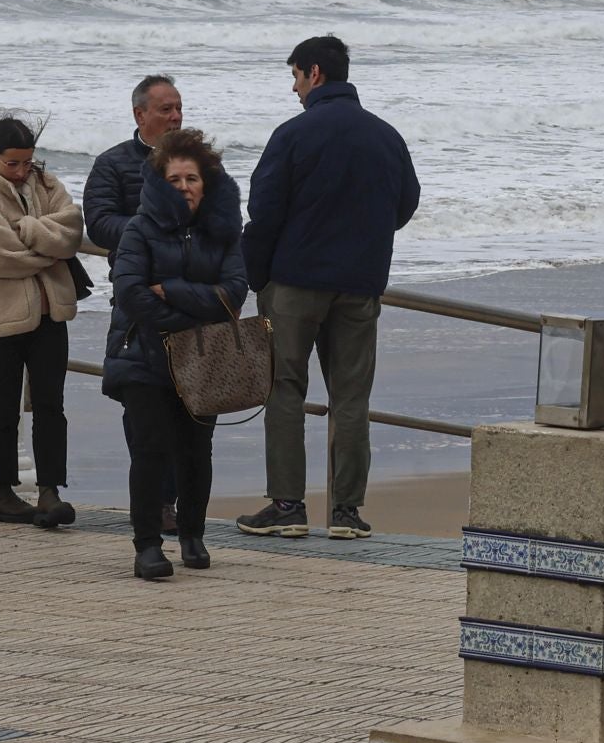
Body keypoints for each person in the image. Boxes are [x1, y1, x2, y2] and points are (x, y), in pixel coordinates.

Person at [238, 36, 419, 540]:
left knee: (284, 390)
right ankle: (346, 512)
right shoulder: (385, 135)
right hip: (359, 285)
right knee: (351, 397)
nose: (294, 89)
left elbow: (264, 212)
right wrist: (364, 242)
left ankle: (288, 505)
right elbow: (405, 203)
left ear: (313, 73)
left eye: (295, 77)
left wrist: (258, 275)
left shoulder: (293, 134)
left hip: (295, 283)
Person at [102, 128, 246, 580]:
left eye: (192, 179)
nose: (184, 187)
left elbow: (234, 293)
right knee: (149, 450)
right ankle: (147, 544)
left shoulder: (223, 233)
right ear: (159, 183)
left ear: (207, 183)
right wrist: (192, 314)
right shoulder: (139, 229)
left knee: (195, 450)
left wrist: (176, 292)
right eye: (175, 179)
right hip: (142, 355)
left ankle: (192, 534)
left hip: (203, 359)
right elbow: (130, 293)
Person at [0, 113, 84, 527]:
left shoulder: (46, 185)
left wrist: (27, 227)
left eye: (28, 162)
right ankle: (0, 492)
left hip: (49, 310)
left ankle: (49, 490)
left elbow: (71, 230)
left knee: (50, 402)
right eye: (13, 163)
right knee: (4, 402)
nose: (22, 170)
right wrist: (48, 248)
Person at [85, 73, 185, 532]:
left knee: (189, 407)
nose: (175, 116)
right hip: (138, 303)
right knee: (143, 409)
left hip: (192, 300)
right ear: (139, 114)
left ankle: (182, 506)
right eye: (165, 109)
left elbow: (223, 220)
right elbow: (100, 223)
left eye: (178, 107)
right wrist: (155, 230)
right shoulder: (113, 164)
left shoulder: (196, 162)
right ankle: (155, 504)